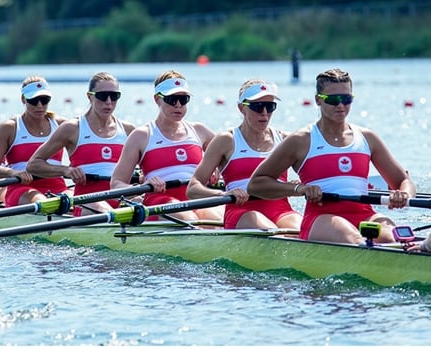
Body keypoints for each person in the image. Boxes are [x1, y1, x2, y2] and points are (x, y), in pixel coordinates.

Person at [247, 68, 415, 244]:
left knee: (392, 238)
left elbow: (404, 181)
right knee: (352, 237)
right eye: (333, 100)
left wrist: (403, 195)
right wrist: (298, 189)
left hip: (365, 214)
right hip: (322, 218)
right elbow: (256, 184)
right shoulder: (301, 140)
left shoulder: (367, 138)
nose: (341, 105)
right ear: (318, 100)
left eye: (346, 99)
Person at [186, 79, 302, 229]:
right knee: (273, 232)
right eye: (258, 107)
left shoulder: (285, 139)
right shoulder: (226, 140)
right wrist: (223, 195)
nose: (265, 113)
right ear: (242, 108)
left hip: (281, 210)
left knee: (301, 231)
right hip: (241, 211)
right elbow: (192, 189)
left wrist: (297, 187)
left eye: (270, 106)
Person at [110, 69, 222, 221]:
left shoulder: (199, 131)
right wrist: (144, 185)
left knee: (219, 222)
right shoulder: (141, 136)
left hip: (195, 199)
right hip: (159, 203)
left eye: (183, 100)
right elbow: (116, 184)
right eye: (171, 99)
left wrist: (217, 168)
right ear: (157, 99)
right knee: (192, 220)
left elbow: (231, 159)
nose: (178, 105)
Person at [27, 72, 135, 215]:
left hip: (122, 199)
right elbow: (33, 164)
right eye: (102, 96)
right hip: (87, 201)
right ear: (89, 96)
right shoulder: (72, 128)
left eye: (114, 96)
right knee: (104, 210)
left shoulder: (128, 130)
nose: (109, 101)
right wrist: (66, 170)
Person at [0, 76, 67, 207]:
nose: (40, 105)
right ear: (23, 99)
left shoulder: (62, 125)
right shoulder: (9, 128)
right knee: (45, 204)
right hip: (21, 189)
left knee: (79, 203)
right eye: (33, 100)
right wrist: (13, 172)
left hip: (58, 188)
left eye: (44, 100)